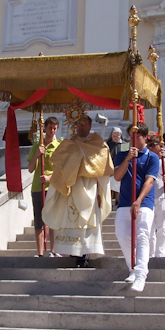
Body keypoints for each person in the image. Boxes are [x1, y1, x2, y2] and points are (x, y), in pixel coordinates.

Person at [43, 114, 113, 267]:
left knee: (87, 221)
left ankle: (85, 254)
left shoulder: (98, 144)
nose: (80, 127)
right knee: (72, 219)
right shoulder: (68, 144)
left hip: (89, 187)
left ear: (89, 126)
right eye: (78, 124)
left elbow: (104, 166)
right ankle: (74, 252)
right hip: (72, 188)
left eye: (83, 124)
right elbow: (58, 165)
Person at [113, 122, 159, 291]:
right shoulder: (122, 155)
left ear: (144, 137)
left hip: (144, 203)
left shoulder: (152, 157)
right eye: (131, 136)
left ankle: (140, 274)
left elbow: (150, 180)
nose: (133, 139)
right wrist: (127, 159)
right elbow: (117, 176)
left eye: (137, 135)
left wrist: (139, 200)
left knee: (142, 236)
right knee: (122, 234)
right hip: (124, 202)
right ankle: (132, 267)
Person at [27, 117, 60, 257]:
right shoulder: (37, 145)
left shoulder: (59, 147)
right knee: (39, 221)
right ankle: (40, 252)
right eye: (50, 127)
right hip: (37, 188)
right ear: (45, 128)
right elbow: (29, 168)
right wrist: (37, 155)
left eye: (54, 128)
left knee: (52, 219)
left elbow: (61, 170)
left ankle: (53, 250)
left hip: (52, 187)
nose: (52, 131)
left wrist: (49, 178)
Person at [106, 127, 124, 205]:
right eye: (114, 136)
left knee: (119, 186)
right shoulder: (108, 144)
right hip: (110, 168)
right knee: (110, 186)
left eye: (117, 136)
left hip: (120, 168)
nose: (116, 138)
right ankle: (109, 203)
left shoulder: (124, 144)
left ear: (120, 136)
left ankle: (118, 202)